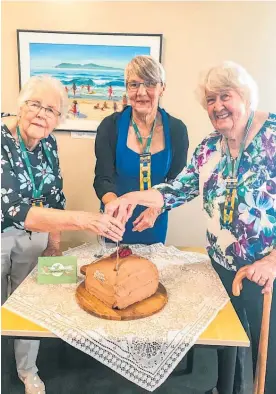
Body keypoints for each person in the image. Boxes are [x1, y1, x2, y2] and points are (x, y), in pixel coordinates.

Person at [105, 61, 276, 394]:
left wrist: (272, 262)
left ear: (245, 96)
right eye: (210, 100)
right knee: (229, 344)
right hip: (221, 267)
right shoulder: (210, 146)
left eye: (225, 96)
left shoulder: (272, 136)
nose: (217, 106)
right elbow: (175, 189)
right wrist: (130, 197)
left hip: (265, 272)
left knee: (267, 357)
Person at [1, 75, 124, 394]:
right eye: (35, 104)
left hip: (36, 235)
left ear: (58, 118)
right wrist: (85, 221)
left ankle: (28, 371)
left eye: (51, 110)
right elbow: (15, 208)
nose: (41, 114)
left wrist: (54, 244)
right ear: (20, 104)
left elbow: (54, 195)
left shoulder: (48, 143)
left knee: (29, 305)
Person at [93, 55, 189, 245]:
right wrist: (115, 207)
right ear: (127, 88)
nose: (141, 92)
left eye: (150, 84)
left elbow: (176, 183)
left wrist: (155, 210)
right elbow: (102, 179)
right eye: (134, 84)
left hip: (153, 221)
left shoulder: (177, 130)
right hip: (115, 219)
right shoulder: (110, 126)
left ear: (163, 88)